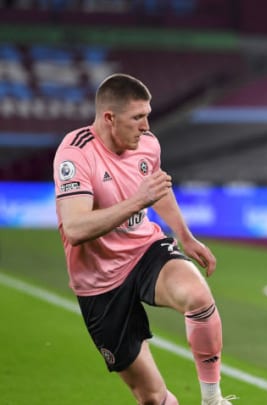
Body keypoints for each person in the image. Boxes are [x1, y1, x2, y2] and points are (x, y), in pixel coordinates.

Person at [52, 73, 235, 405]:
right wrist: (138, 200)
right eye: (138, 117)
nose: (146, 125)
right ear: (110, 118)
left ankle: (213, 399)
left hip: (144, 250)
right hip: (98, 281)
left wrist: (185, 237)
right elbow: (76, 229)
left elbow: (157, 191)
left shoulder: (147, 143)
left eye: (147, 115)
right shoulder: (76, 154)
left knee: (197, 295)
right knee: (152, 397)